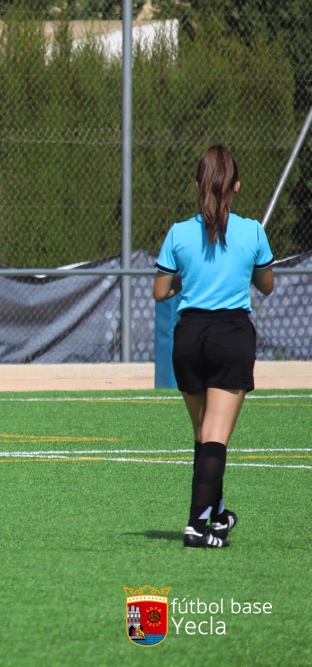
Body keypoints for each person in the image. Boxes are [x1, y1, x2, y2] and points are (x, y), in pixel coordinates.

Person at [153, 145, 274, 549]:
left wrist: (190, 278)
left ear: (197, 185)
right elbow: (267, 286)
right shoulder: (253, 231)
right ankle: (196, 525)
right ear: (236, 186)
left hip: (188, 338)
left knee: (204, 435)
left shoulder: (177, 232)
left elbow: (160, 291)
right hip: (230, 335)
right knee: (216, 437)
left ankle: (217, 513)